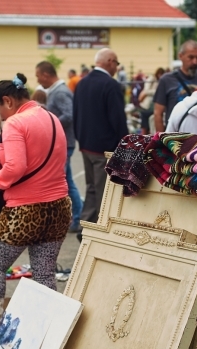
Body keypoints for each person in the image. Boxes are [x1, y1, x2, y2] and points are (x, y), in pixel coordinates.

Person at [0, 73, 70, 345]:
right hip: (58, 207)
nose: (1, 116)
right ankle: (44, 334)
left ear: (7, 100)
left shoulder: (15, 123)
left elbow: (15, 168)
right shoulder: (51, 118)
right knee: (44, 272)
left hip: (24, 211)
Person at [73, 48, 128, 228]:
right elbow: (118, 119)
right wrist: (125, 145)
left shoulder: (82, 83)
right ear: (110, 61)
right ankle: (98, 228)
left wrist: (80, 138)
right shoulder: (110, 85)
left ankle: (86, 224)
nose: (117, 68)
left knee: (91, 187)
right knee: (104, 191)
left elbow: (76, 113)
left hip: (86, 144)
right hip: (104, 147)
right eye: (117, 63)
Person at [35, 60, 82, 232]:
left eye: (38, 76)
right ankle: (76, 216)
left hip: (64, 143)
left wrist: (50, 124)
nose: (38, 80)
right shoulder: (57, 91)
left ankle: (78, 217)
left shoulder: (60, 92)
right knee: (66, 181)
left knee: (67, 182)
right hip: (62, 142)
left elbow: (69, 115)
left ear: (46, 75)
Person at [153, 40, 197, 132]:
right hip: (175, 137)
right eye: (191, 57)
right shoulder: (166, 80)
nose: (195, 62)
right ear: (180, 56)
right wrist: (162, 141)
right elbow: (158, 114)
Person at [138, 68, 164, 134]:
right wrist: (154, 91)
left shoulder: (158, 80)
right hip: (147, 105)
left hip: (150, 106)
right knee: (145, 126)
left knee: (149, 125)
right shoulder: (152, 79)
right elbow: (147, 90)